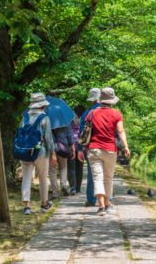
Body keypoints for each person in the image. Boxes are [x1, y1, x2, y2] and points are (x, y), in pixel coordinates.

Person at [87, 87, 130, 215]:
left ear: (101, 100)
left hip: (94, 148)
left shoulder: (92, 113)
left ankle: (101, 206)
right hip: (110, 149)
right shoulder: (116, 114)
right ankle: (107, 203)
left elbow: (86, 130)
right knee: (108, 178)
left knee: (97, 178)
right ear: (112, 100)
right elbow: (121, 131)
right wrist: (125, 146)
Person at [20, 92, 57, 215]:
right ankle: (44, 203)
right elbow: (48, 138)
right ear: (42, 106)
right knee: (42, 177)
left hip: (25, 151)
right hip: (40, 152)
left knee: (26, 178)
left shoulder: (24, 117)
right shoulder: (44, 118)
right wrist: (53, 154)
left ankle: (26, 206)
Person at [78, 88, 101, 206]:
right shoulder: (109, 111)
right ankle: (107, 199)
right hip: (107, 146)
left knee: (92, 174)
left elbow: (81, 132)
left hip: (90, 146)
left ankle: (91, 199)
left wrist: (79, 149)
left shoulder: (86, 113)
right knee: (106, 174)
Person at [49, 123, 75, 199]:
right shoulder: (65, 122)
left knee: (52, 170)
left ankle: (55, 193)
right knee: (63, 167)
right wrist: (73, 148)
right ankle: (63, 185)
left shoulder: (47, 120)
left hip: (51, 149)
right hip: (63, 148)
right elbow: (70, 136)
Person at [68, 105, 85, 195]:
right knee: (80, 168)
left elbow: (68, 132)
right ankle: (78, 187)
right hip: (81, 146)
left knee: (71, 168)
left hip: (71, 146)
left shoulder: (69, 119)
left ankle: (72, 187)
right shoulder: (85, 120)